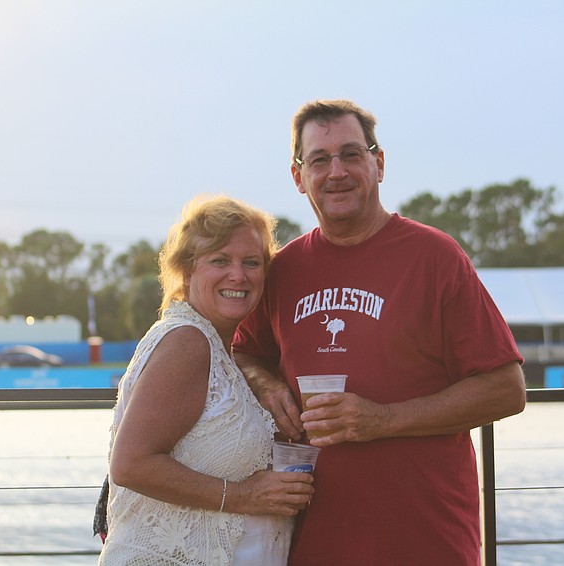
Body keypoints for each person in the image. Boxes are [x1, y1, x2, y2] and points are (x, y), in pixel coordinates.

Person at [232, 100, 526, 566]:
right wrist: (268, 386)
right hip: (312, 541)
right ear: (298, 176)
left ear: (379, 163)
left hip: (427, 540)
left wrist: (381, 420)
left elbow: (506, 390)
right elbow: (242, 354)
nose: (337, 172)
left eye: (351, 154)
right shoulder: (283, 269)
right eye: (319, 160)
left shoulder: (435, 257)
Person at [97, 195, 315, 566]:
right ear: (186, 270)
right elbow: (131, 464)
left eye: (252, 262)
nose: (238, 275)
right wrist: (246, 495)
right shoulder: (187, 342)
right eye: (219, 260)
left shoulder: (217, 348)